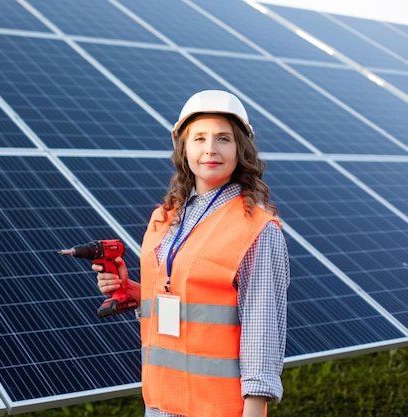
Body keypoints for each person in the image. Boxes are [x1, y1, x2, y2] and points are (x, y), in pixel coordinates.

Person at [94, 90, 290, 417]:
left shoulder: (257, 229)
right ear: (184, 148)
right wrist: (135, 293)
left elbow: (263, 327)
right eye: (199, 138)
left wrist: (255, 408)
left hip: (218, 408)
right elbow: (185, 303)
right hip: (159, 401)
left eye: (223, 139)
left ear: (241, 150)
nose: (210, 149)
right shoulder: (165, 218)